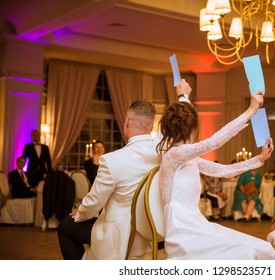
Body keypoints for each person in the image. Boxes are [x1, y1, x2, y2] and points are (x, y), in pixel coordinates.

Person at [57, 79, 192, 260]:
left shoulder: (112, 161)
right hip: (152, 229)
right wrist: (183, 96)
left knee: (66, 227)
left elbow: (95, 202)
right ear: (151, 126)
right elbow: (180, 128)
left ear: (126, 122)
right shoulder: (162, 150)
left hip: (121, 235)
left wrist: (80, 213)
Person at [157, 90, 275, 260]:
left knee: (263, 248)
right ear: (192, 128)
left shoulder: (190, 158)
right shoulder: (173, 155)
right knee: (246, 253)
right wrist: (250, 111)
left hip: (197, 224)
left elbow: (223, 171)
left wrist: (259, 159)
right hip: (182, 231)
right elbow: (214, 142)